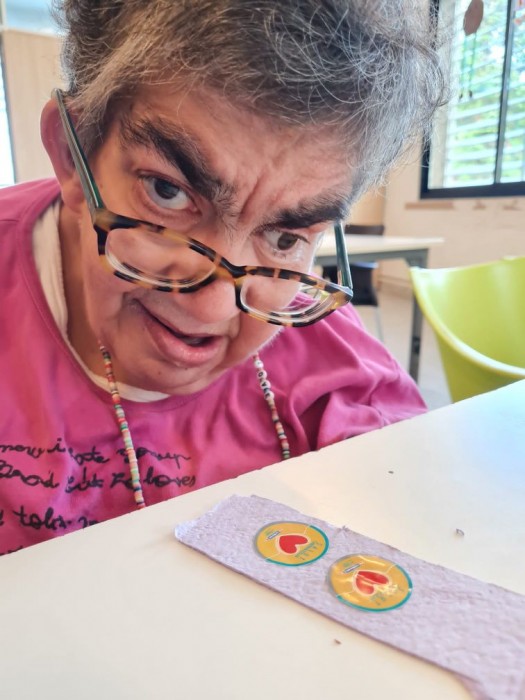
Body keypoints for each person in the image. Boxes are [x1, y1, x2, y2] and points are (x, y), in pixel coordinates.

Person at [0, 0, 446, 556]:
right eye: (167, 191)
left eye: (285, 238)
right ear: (74, 155)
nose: (211, 311)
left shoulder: (332, 361)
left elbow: (417, 513)